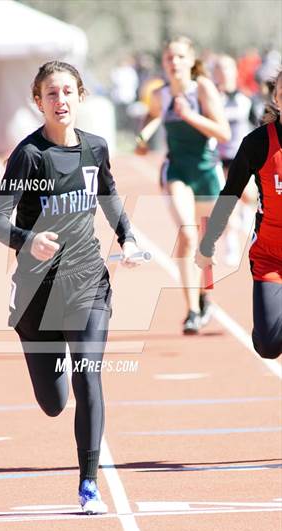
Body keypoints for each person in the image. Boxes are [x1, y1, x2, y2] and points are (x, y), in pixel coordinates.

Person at [0, 61, 139, 514]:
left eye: (68, 92)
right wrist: (27, 241)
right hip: (38, 293)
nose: (61, 101)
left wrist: (127, 236)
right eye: (51, 94)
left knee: (88, 375)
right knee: (54, 402)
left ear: (81, 96)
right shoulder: (29, 156)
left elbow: (109, 196)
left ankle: (89, 485)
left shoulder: (96, 148)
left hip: (88, 281)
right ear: (39, 101)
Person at [135, 36, 231, 334]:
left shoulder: (201, 88)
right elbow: (152, 118)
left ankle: (205, 298)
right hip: (177, 170)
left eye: (179, 57)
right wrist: (142, 139)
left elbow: (224, 133)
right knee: (187, 235)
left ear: (190, 61)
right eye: (169, 58)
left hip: (207, 171)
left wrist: (189, 115)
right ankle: (191, 311)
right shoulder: (160, 93)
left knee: (205, 243)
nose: (173, 62)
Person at [196, 70, 282, 360]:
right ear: (276, 98)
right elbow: (230, 194)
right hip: (271, 257)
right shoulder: (257, 143)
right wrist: (208, 243)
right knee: (269, 347)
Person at [213, 54, 256, 266]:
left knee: (248, 196)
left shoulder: (245, 99)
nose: (223, 73)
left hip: (243, 157)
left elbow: (258, 125)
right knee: (227, 201)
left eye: (227, 68)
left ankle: (246, 217)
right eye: (219, 69)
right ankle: (231, 243)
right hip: (219, 158)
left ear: (234, 71)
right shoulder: (210, 98)